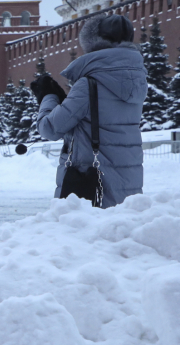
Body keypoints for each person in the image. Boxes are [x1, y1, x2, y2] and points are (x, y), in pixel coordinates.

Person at [35, 14, 146, 208]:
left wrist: (48, 96)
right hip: (128, 184)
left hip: (92, 185)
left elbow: (50, 128)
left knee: (87, 235)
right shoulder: (137, 79)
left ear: (92, 43)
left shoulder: (88, 84)